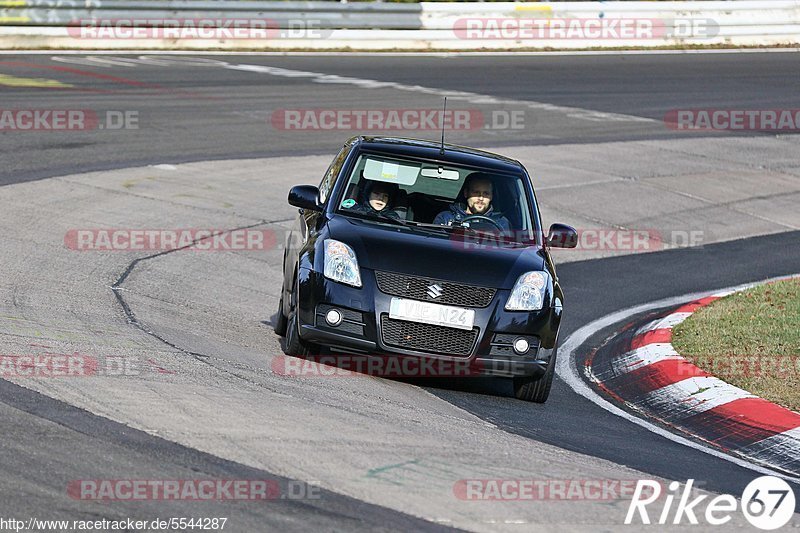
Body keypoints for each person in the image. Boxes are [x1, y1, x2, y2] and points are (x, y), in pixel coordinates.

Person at [433, 173, 511, 231]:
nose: (481, 198)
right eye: (476, 192)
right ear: (466, 193)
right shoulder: (446, 218)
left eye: (486, 193)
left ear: (491, 197)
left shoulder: (502, 223)